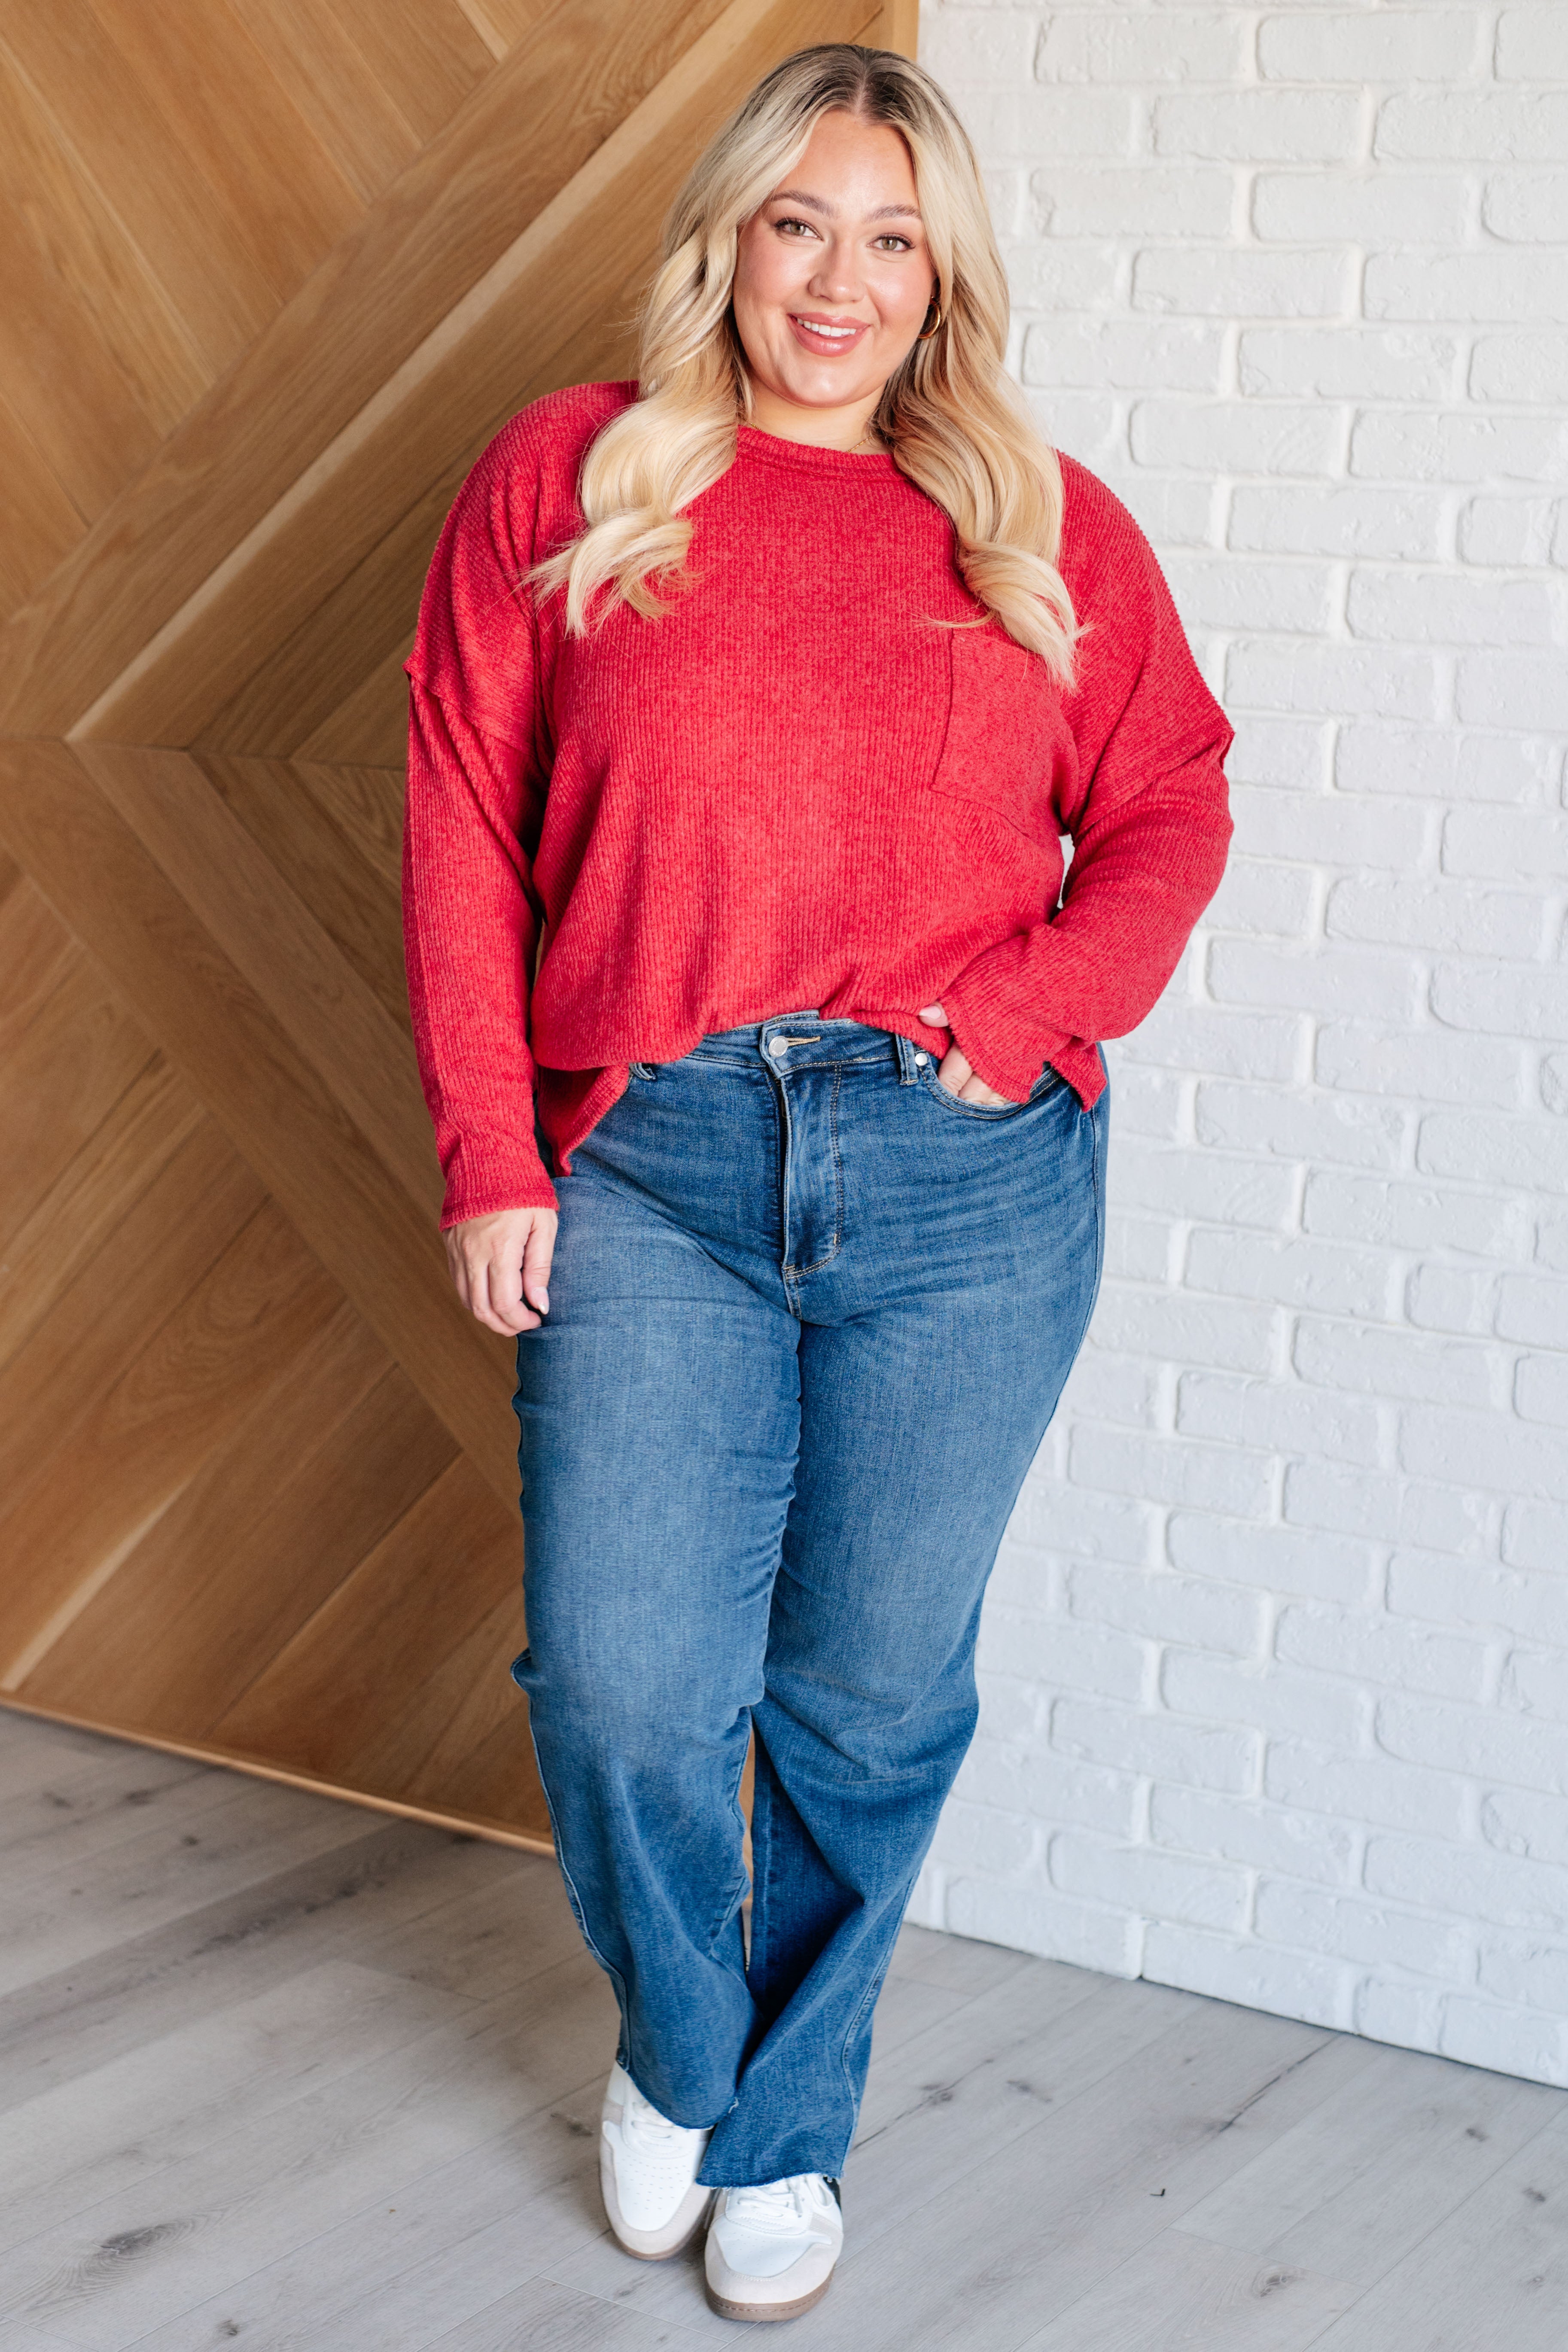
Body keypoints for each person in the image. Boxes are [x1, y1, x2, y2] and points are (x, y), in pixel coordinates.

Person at [403, 41, 1231, 2325]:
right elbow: (466, 823)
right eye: (796, 224)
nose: (837, 282)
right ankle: (684, 2042)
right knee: (627, 1680)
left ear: (939, 270)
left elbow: (1168, 803)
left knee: (868, 1694)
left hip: (961, 1180)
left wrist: (1023, 1013)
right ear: (725, 242)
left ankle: (787, 2120)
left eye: (889, 237)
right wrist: (494, 1141)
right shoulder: (571, 477)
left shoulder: (1032, 521)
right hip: (645, 1158)